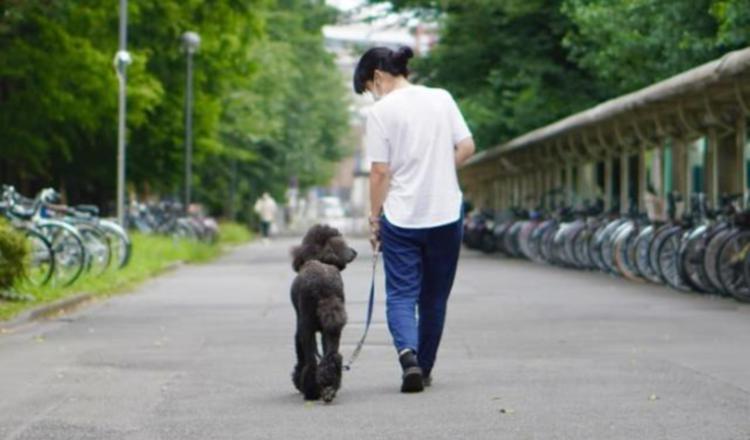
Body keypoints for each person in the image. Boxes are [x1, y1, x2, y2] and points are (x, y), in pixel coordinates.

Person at [353, 46, 476, 393]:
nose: (371, 96)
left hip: (402, 217)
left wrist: (374, 218)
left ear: (377, 77)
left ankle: (407, 356)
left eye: (368, 88)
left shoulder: (381, 112)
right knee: (434, 298)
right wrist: (438, 169)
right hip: (445, 213)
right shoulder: (441, 98)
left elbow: (379, 172)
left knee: (402, 294)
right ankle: (425, 366)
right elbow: (467, 146)